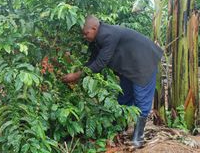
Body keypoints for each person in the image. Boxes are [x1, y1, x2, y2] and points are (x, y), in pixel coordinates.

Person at [62, 15, 163, 148]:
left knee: (141, 99)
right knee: (124, 98)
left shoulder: (107, 35)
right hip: (128, 67)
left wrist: (76, 76)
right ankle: (120, 128)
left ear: (94, 28)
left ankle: (139, 136)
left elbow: (100, 62)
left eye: (86, 33)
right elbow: (93, 60)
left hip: (144, 63)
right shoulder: (97, 39)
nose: (84, 36)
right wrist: (79, 73)